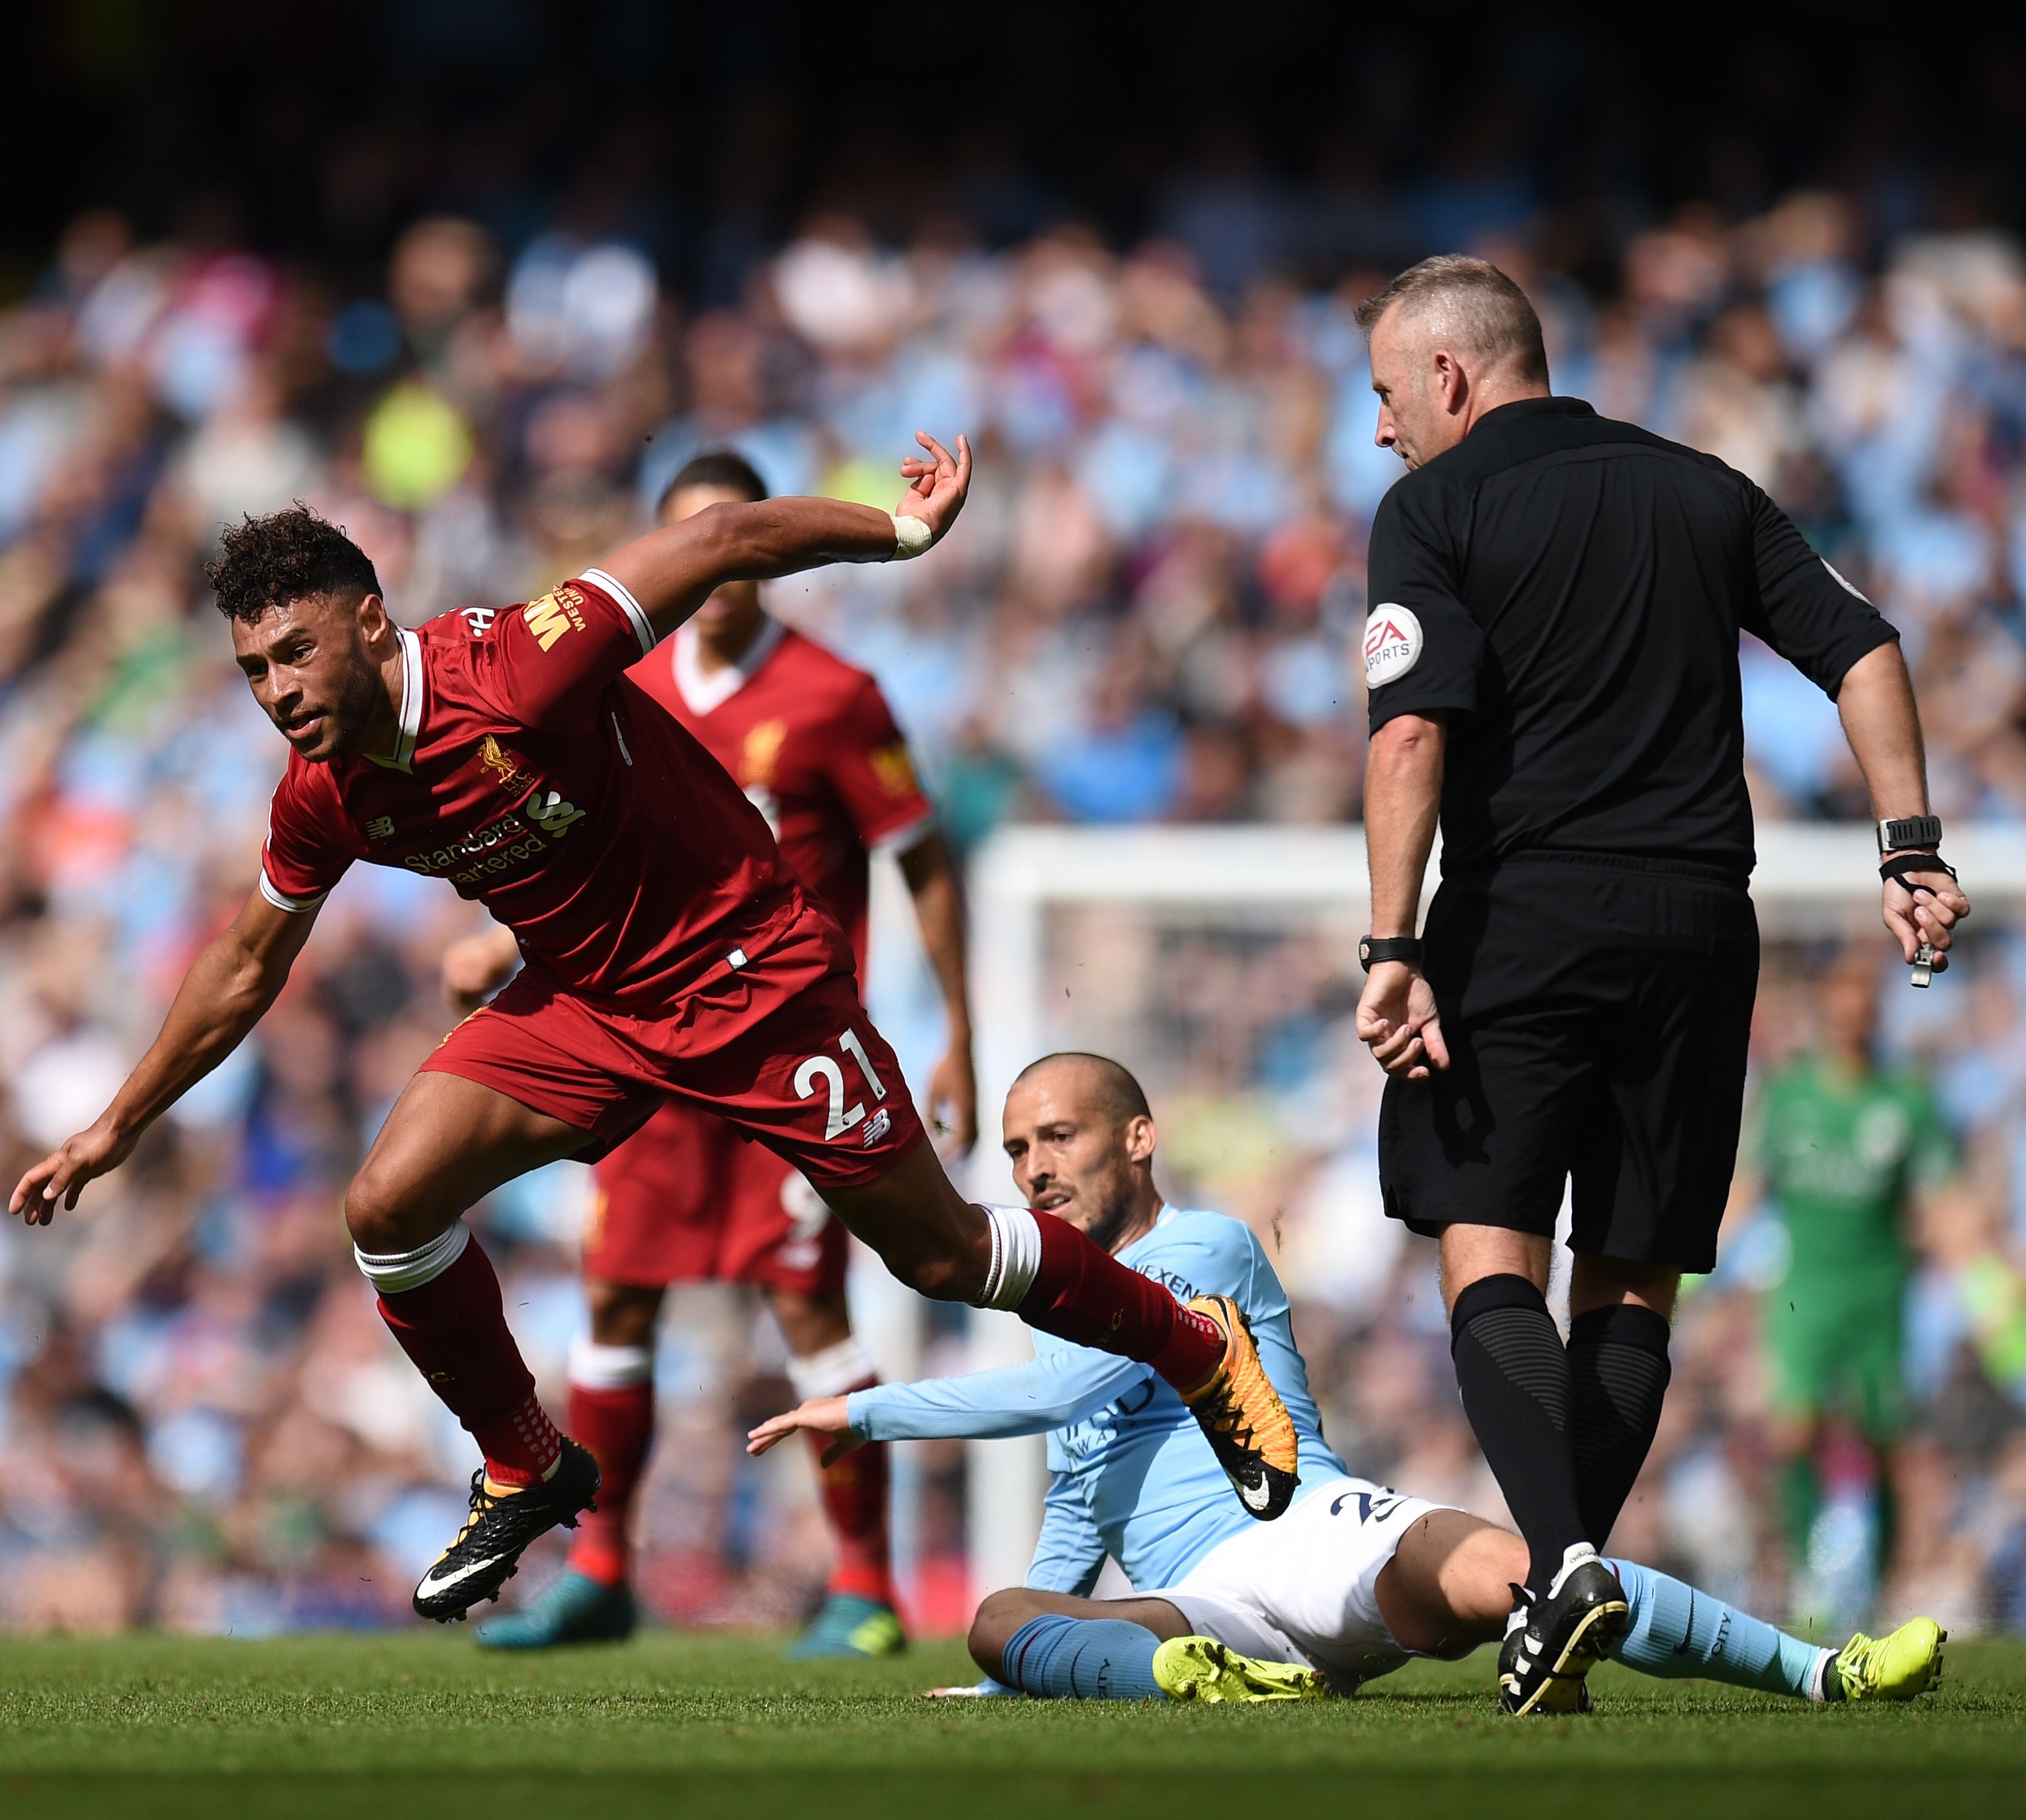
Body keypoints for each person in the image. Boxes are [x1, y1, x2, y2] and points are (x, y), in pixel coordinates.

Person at [8, 434, 1305, 1625]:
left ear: (368, 620)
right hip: (586, 1000)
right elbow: (244, 964)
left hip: (752, 979)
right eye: (251, 673)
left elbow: (721, 542)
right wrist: (113, 1126)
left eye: (294, 653)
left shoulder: (513, 665)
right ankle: (526, 1460)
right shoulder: (325, 797)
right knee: (387, 1204)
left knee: (940, 1254)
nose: (279, 692)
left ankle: (1194, 1341)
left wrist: (896, 533)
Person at [1345, 254, 1971, 1710]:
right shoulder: (1707, 487)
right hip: (1701, 923)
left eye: (1385, 393)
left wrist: (1391, 944)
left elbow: (1406, 739)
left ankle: (1563, 1571)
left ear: (1448, 374)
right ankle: (1562, 1598)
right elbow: (1866, 648)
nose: (1378, 427)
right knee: (1631, 1284)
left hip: (1525, 918)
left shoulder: (1432, 507)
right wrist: (1910, 846)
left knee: (1484, 1246)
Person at [747, 1052, 1949, 1710]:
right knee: (996, 1618)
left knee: (1528, 1575)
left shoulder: (1202, 1249)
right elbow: (1079, 1498)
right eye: (1015, 1149)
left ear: (1137, 1137)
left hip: (1309, 1535)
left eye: (1055, 1136)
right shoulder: (1069, 1314)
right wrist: (1031, 1657)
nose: (1032, 1165)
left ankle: (1820, 1669)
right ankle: (1195, 1685)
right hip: (1208, 1611)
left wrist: (866, 1412)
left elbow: (1065, 1400)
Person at [445, 450, 976, 1660]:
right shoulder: (611, 689)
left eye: (729, 536)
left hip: (783, 1046)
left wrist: (957, 1034)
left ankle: (862, 1588)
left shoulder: (836, 694)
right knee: (618, 1294)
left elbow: (923, 863)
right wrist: (495, 958)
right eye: (690, 535)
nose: (715, 565)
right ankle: (597, 1571)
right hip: (646, 1047)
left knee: (805, 1300)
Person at [1747, 952, 1959, 1623]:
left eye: (1861, 1004)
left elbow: (1943, 1199)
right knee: (1794, 1429)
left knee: (1881, 1436)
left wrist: (1985, 1270)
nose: (1850, 1017)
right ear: (1822, 1013)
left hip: (1878, 1290)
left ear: (1875, 1012)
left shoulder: (1904, 1099)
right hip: (1804, 1288)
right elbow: (1749, 1189)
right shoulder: (1790, 1095)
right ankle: (1810, 1574)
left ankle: (1882, 1586)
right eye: (1839, 1004)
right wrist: (1687, 1278)